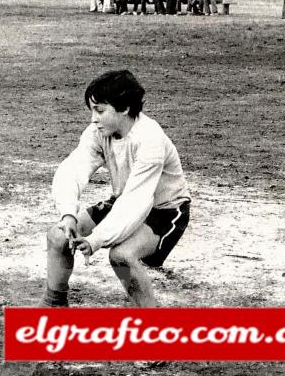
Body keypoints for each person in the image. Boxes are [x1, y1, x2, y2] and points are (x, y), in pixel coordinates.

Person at [41, 70, 191, 308]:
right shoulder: (98, 132)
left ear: (124, 109)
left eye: (100, 110)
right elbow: (73, 168)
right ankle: (54, 305)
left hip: (166, 211)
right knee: (59, 236)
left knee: (121, 256)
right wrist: (68, 214)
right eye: (92, 110)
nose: (93, 118)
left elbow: (137, 200)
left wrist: (96, 239)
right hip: (123, 201)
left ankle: (154, 325)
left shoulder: (150, 138)